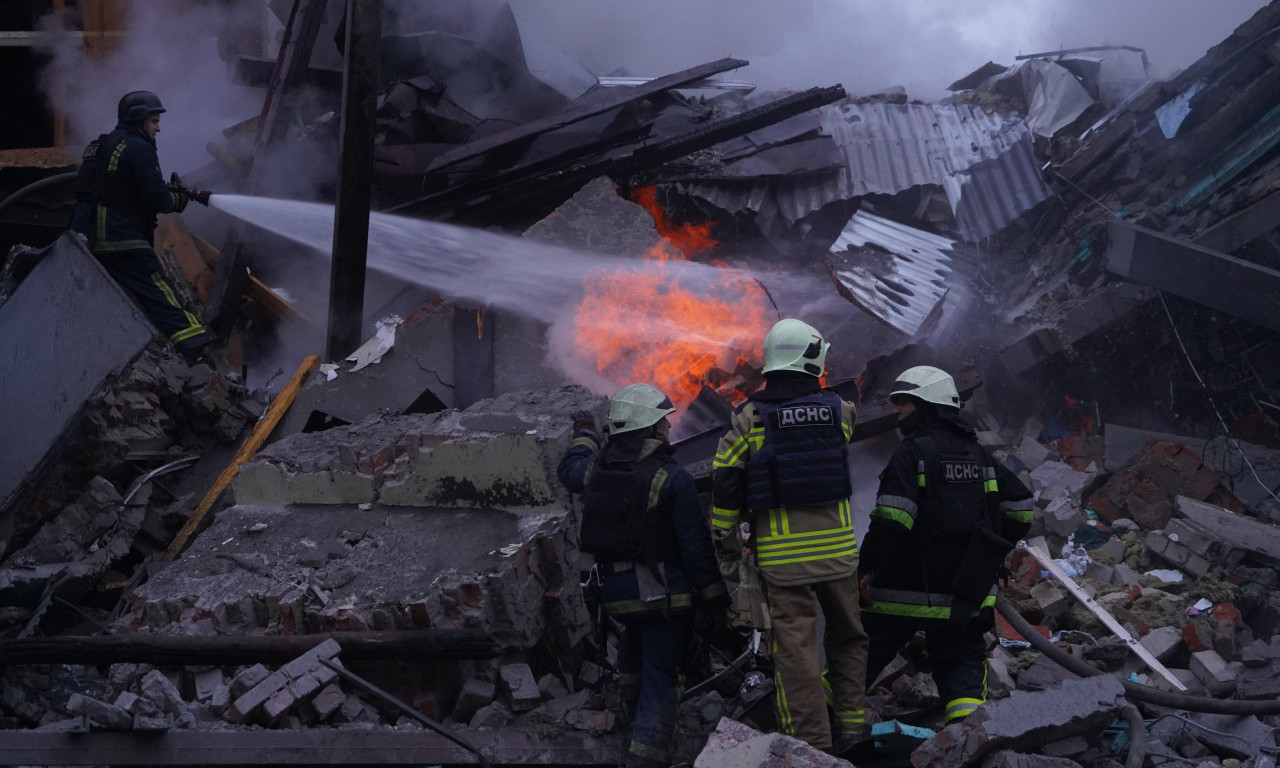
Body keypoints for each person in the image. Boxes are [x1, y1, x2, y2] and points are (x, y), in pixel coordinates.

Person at [709, 318, 870, 753]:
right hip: (839, 555)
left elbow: (725, 488)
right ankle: (853, 729)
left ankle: (812, 749)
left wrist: (725, 549)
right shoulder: (840, 411)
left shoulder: (748, 419)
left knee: (796, 655)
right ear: (812, 358)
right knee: (850, 637)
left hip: (783, 564)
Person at [558, 384, 730, 768]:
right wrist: (717, 601)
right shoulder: (672, 479)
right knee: (661, 677)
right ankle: (647, 758)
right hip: (663, 596)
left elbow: (568, 471)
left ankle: (628, 729)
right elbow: (696, 549)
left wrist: (585, 436)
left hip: (616, 596)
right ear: (648, 430)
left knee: (632, 660)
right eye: (662, 423)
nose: (669, 429)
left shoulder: (596, 471)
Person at [857, 365, 1034, 724]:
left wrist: (866, 567)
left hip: (903, 591)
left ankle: (819, 724)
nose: (897, 411)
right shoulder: (977, 454)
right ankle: (970, 742)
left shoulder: (912, 453)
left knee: (860, 655)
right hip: (963, 591)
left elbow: (892, 521)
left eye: (903, 404)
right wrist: (986, 551)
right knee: (961, 664)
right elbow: (1021, 509)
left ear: (927, 406)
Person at [71, 90, 213, 365]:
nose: (158, 127)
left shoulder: (100, 146)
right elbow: (157, 199)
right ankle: (196, 353)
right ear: (138, 119)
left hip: (85, 239)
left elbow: (110, 189)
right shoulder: (138, 147)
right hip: (121, 238)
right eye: (154, 120)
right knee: (159, 291)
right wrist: (179, 200)